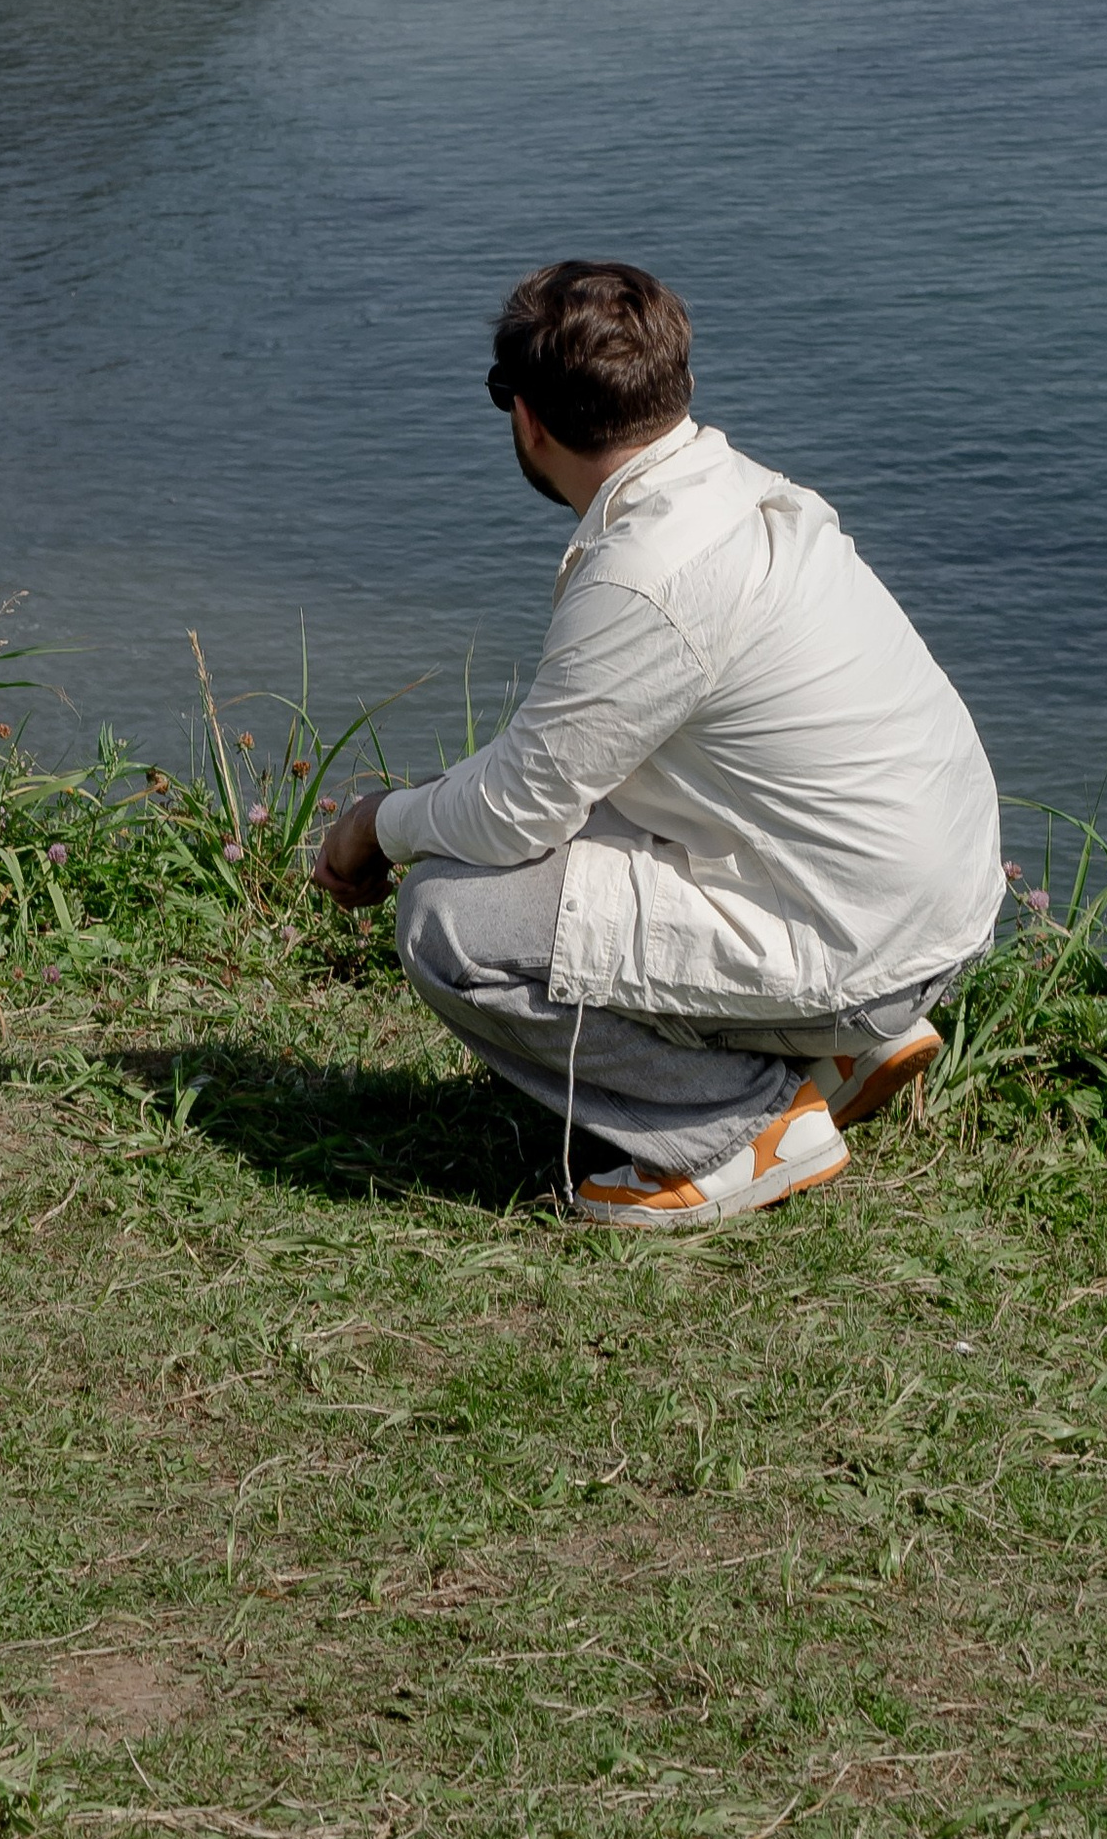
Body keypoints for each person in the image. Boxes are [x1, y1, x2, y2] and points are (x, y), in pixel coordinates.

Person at [311, 259, 1004, 1230]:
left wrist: (373, 825)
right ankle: (835, 1049)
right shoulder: (739, 492)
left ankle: (736, 1130)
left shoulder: (646, 572)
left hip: (866, 946)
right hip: (926, 909)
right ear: (671, 385)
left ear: (526, 421)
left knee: (448, 918)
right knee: (571, 824)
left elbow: (514, 813)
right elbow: (554, 783)